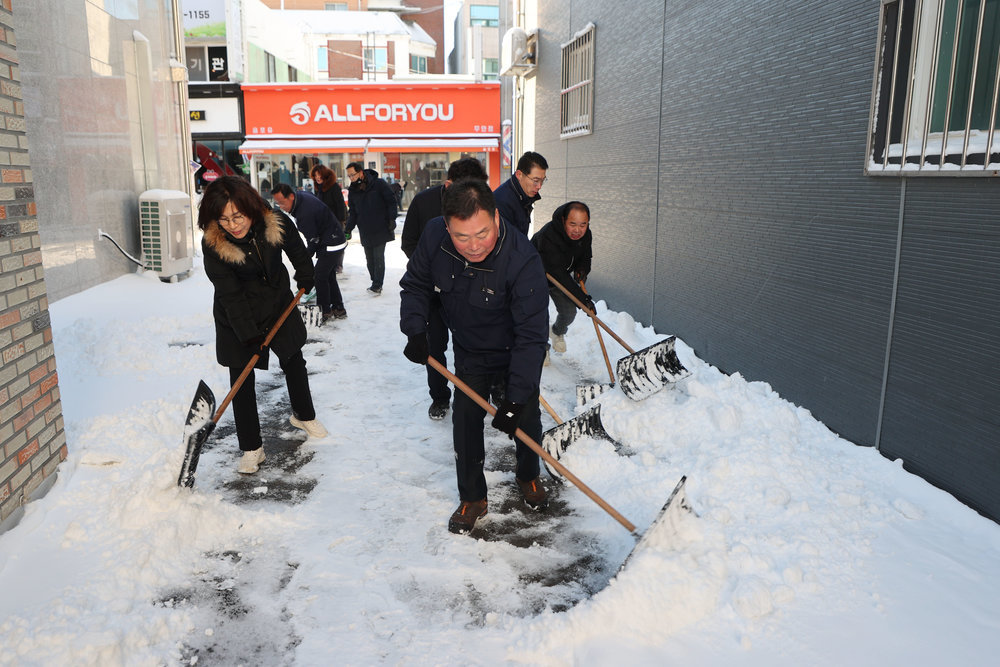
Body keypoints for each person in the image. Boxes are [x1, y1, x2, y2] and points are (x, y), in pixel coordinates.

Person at [399, 178, 550, 535]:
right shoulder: (435, 236)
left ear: (496, 218)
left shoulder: (522, 259)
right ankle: (473, 498)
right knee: (465, 423)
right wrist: (415, 329)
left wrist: (513, 399)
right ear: (447, 226)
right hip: (470, 350)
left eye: (481, 234)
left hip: (515, 351)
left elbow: (532, 337)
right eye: (461, 237)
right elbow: (416, 284)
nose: (473, 246)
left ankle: (528, 475)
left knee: (525, 420)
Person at [198, 176, 328, 475]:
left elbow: (295, 246)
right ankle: (251, 447)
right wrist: (248, 336)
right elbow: (229, 295)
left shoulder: (273, 221)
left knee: (294, 358)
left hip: (278, 302)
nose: (233, 225)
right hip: (236, 313)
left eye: (238, 216)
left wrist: (305, 273)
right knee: (241, 378)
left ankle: (303, 414)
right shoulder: (213, 245)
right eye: (224, 219)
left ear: (250, 208)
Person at [400, 157, 490, 420]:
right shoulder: (425, 204)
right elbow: (409, 244)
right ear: (449, 184)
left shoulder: (482, 206)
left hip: (467, 293)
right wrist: (434, 270)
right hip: (433, 293)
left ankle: (474, 396)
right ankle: (440, 398)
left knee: (470, 346)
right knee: (434, 346)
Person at [271, 184, 347, 322]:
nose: (280, 207)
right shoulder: (301, 198)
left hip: (332, 243)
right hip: (333, 238)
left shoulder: (305, 213)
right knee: (328, 276)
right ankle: (338, 308)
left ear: (291, 196)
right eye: (277, 203)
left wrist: (303, 263)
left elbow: (313, 241)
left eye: (282, 202)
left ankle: (325, 311)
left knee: (319, 276)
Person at [530, 201, 595, 360]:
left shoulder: (586, 234)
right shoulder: (549, 236)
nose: (578, 230)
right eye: (572, 224)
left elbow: (585, 257)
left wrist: (582, 270)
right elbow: (558, 274)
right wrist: (583, 300)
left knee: (569, 312)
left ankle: (557, 332)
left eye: (583, 224)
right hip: (534, 277)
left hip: (558, 277)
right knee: (538, 316)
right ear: (563, 220)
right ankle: (541, 347)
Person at [345, 162, 398, 295]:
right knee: (369, 259)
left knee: (378, 256)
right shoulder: (353, 190)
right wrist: (348, 229)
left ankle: (377, 285)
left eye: (353, 175)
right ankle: (375, 281)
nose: (351, 178)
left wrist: (392, 219)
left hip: (381, 226)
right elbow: (353, 212)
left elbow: (391, 200)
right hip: (365, 228)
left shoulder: (378, 184)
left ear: (361, 172)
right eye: (349, 176)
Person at [493, 151, 548, 236]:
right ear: (519, 175)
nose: (539, 186)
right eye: (536, 181)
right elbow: (507, 243)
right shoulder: (502, 201)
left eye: (542, 180)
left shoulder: (523, 195)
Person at [309, 164, 348, 274]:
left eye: (319, 175)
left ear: (324, 175)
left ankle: (338, 265)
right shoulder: (318, 188)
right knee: (326, 244)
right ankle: (330, 264)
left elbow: (340, 204)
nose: (317, 177)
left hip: (335, 221)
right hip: (323, 222)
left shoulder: (333, 186)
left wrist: (341, 221)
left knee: (337, 244)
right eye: (315, 175)